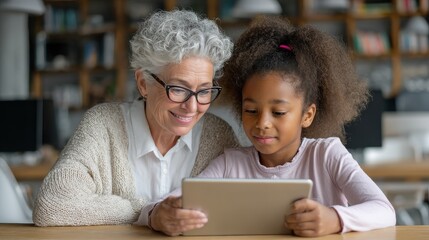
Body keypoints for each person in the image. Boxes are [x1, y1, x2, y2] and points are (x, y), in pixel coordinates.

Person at [174, 16, 396, 237]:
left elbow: (384, 210)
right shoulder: (230, 164)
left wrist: (335, 219)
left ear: (307, 115)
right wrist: (159, 212)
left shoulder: (327, 155)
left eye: (278, 112)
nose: (262, 123)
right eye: (251, 111)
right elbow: (178, 201)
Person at [32, 10, 239, 235]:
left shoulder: (219, 135)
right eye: (178, 89)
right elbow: (52, 205)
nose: (192, 107)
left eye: (204, 91)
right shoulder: (103, 125)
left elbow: (245, 208)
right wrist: (148, 213)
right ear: (143, 83)